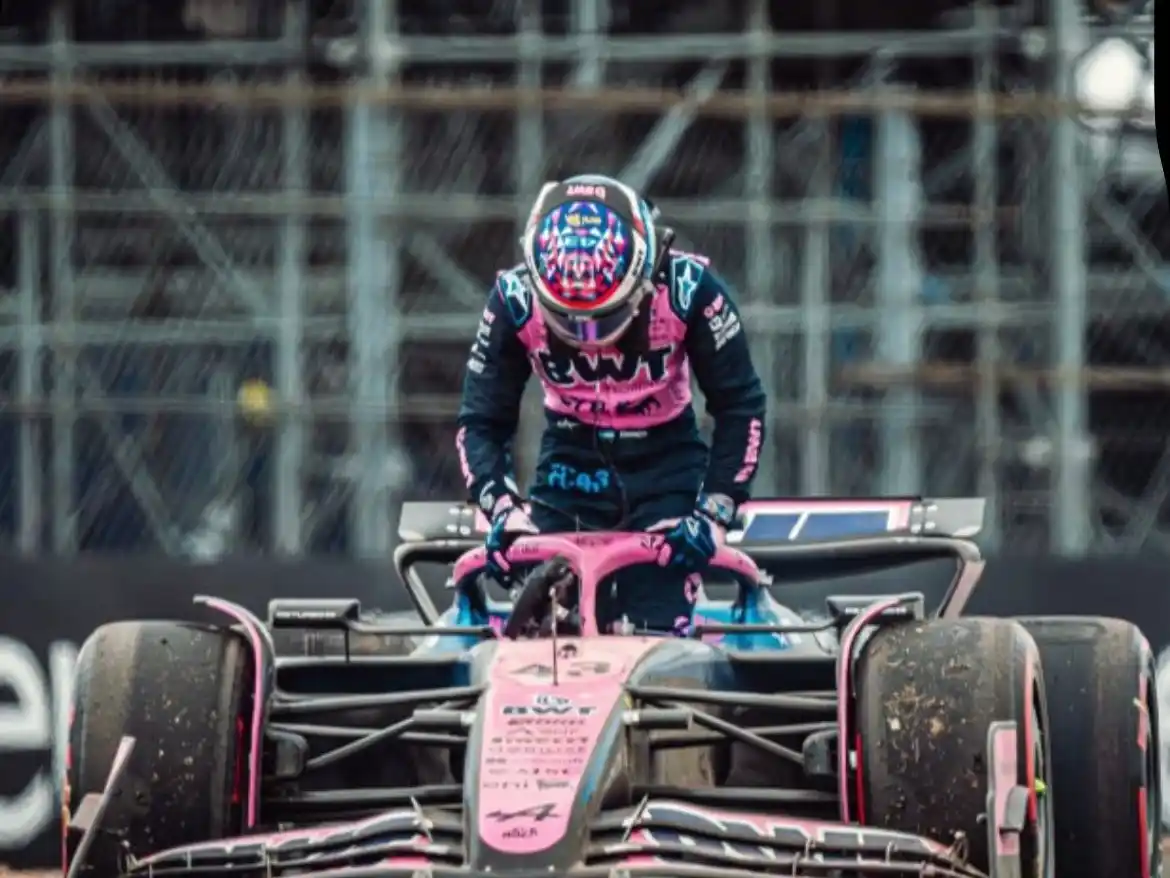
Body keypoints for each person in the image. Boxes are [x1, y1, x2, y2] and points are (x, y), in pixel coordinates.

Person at [455, 174, 767, 633]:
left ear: (645, 276)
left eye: (602, 319)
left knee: (658, 630)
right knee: (546, 625)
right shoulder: (513, 300)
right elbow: (480, 422)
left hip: (667, 465)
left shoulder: (692, 290)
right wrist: (503, 511)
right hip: (569, 467)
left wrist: (713, 513)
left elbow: (741, 408)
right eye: (568, 321)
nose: (588, 337)